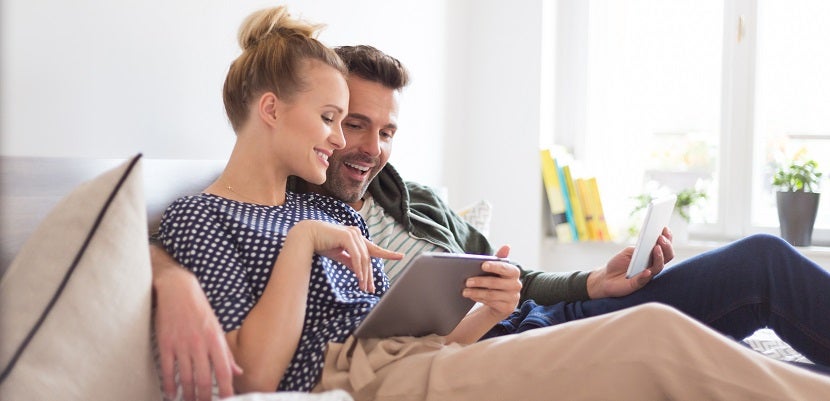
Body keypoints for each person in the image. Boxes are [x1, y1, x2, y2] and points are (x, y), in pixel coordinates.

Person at [154, 5, 830, 400]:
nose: (345, 141)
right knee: (657, 332)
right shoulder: (230, 215)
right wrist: (173, 272)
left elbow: (416, 340)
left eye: (373, 127)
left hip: (450, 347)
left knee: (688, 316)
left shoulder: (340, 210)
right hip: (384, 375)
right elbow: (260, 375)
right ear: (274, 111)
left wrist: (492, 307)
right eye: (337, 120)